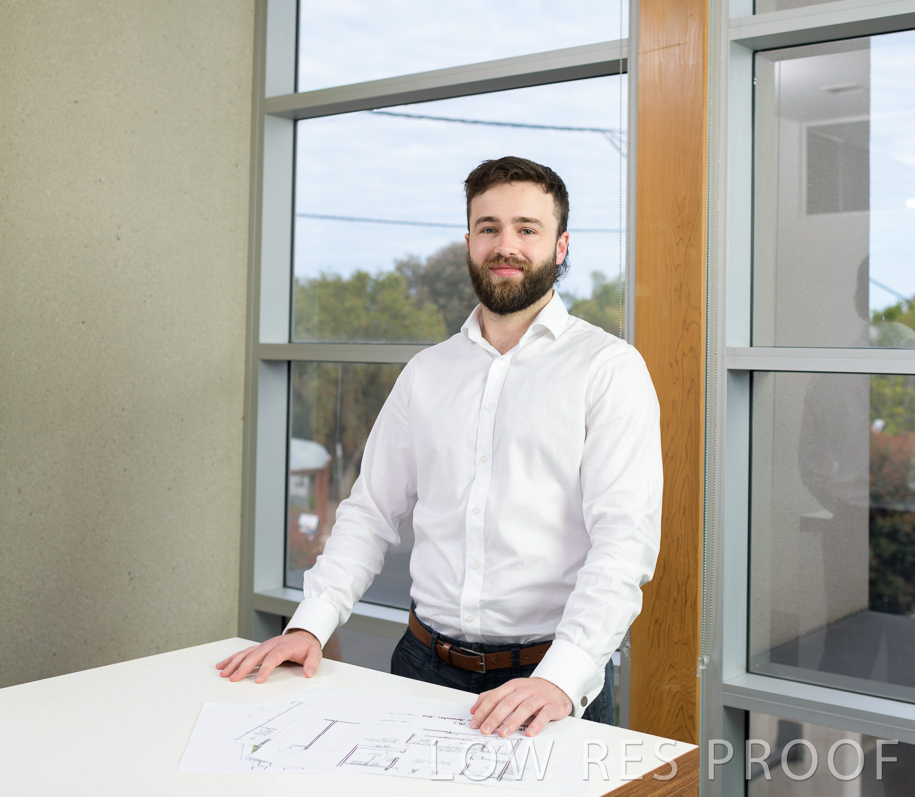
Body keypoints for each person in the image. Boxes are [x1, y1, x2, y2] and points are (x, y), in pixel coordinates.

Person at [217, 156, 663, 739]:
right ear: (469, 242)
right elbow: (370, 512)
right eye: (489, 228)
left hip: (546, 684)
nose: (506, 245)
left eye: (527, 229)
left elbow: (624, 543)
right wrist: (310, 626)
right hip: (420, 668)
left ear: (561, 247)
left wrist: (561, 679)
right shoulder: (427, 372)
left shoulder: (608, 369)